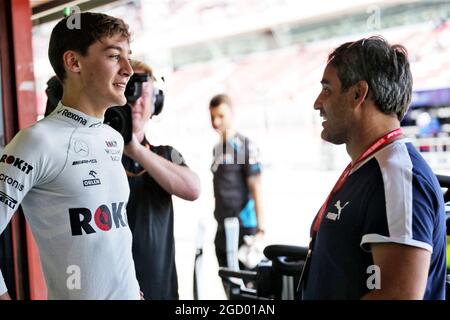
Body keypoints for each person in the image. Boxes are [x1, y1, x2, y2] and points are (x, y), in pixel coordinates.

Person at [0, 12, 141, 299]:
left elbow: (111, 240)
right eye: (115, 56)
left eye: (128, 56)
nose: (128, 69)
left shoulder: (112, 139)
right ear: (73, 62)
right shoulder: (36, 140)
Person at [302, 36, 447, 300]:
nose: (317, 103)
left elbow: (398, 296)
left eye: (327, 89)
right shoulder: (374, 167)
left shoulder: (397, 174)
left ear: (358, 93)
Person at [122, 60, 200, 299]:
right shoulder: (96, 157)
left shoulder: (166, 154)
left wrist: (134, 149)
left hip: (161, 289)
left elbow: (193, 188)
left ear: (156, 102)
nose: (136, 100)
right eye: (128, 90)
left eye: (143, 93)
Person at [209, 94, 264, 270]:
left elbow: (256, 186)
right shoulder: (217, 148)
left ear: (232, 113)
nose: (216, 122)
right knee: (229, 286)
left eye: (221, 116)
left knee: (247, 290)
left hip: (243, 227)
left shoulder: (244, 145)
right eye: (212, 117)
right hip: (222, 227)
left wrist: (261, 230)